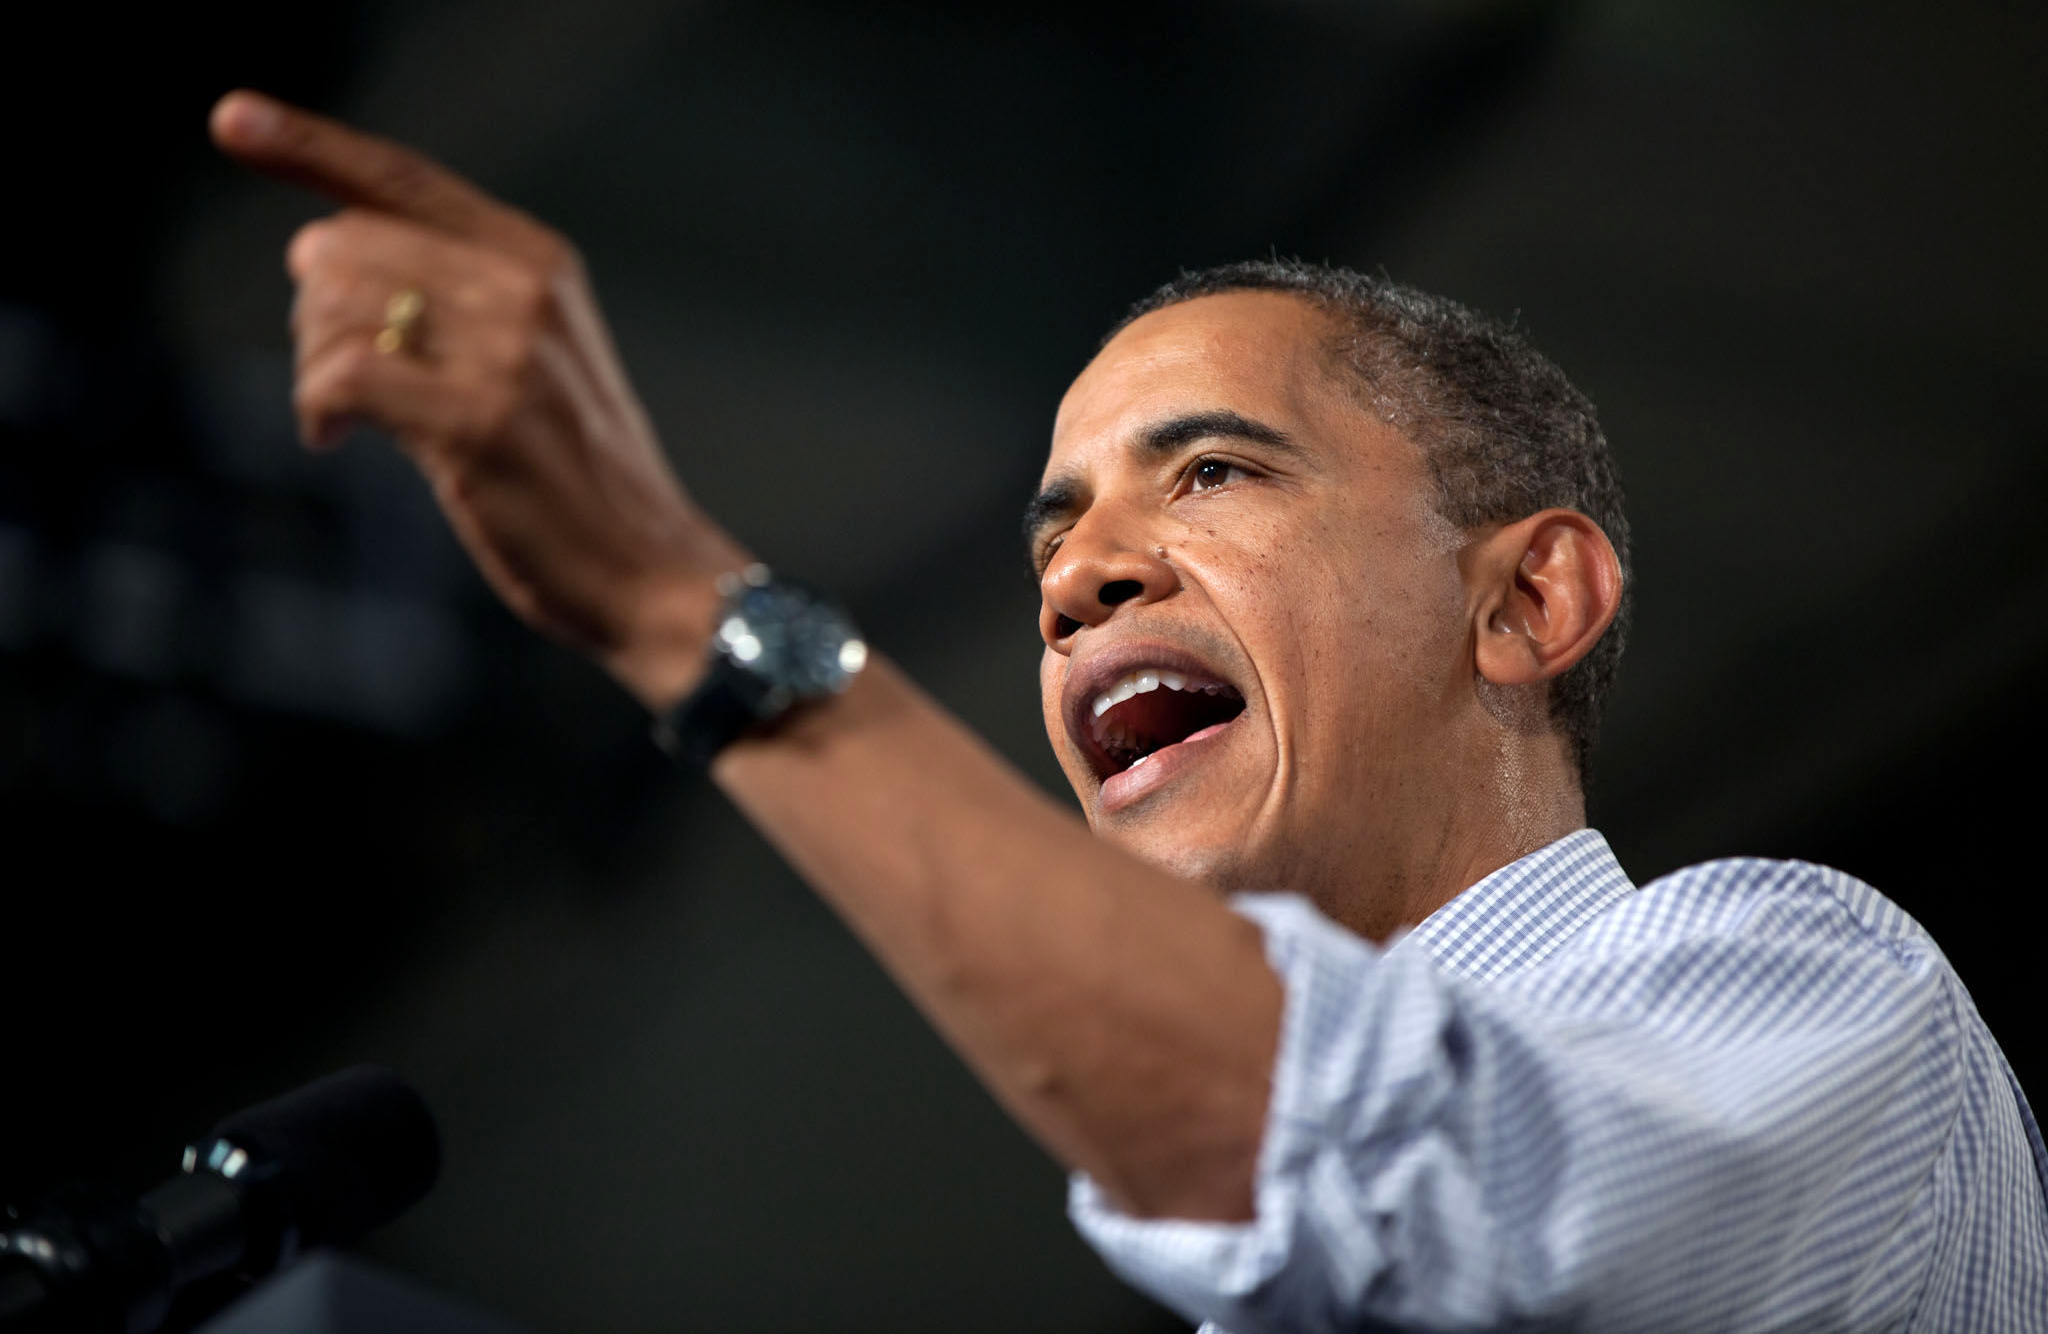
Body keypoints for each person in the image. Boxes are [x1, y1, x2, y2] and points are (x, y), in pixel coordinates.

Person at [208, 90, 2047, 1331]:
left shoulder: (1816, 993)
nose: (1079, 576)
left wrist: (679, 606)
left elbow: (1393, 1164)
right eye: (1056, 536)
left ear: (1526, 597)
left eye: (1215, 474)